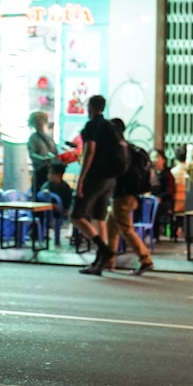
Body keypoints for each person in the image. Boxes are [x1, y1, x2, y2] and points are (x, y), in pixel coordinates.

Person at [72, 95, 125, 275]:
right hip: (111, 179)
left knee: (76, 215)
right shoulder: (111, 127)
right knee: (99, 219)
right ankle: (100, 263)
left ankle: (103, 249)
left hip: (95, 177)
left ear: (91, 107)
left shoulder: (92, 125)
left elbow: (90, 151)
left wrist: (81, 179)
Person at [101, 118, 154, 276]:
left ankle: (145, 259)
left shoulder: (118, 149)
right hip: (131, 195)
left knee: (126, 228)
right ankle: (109, 261)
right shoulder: (129, 148)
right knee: (112, 227)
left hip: (122, 195)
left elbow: (115, 173)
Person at [27, 110, 58, 195]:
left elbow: (55, 152)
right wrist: (43, 159)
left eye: (41, 120)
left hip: (52, 170)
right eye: (37, 121)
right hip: (40, 170)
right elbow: (32, 154)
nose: (40, 123)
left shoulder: (49, 137)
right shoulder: (33, 138)